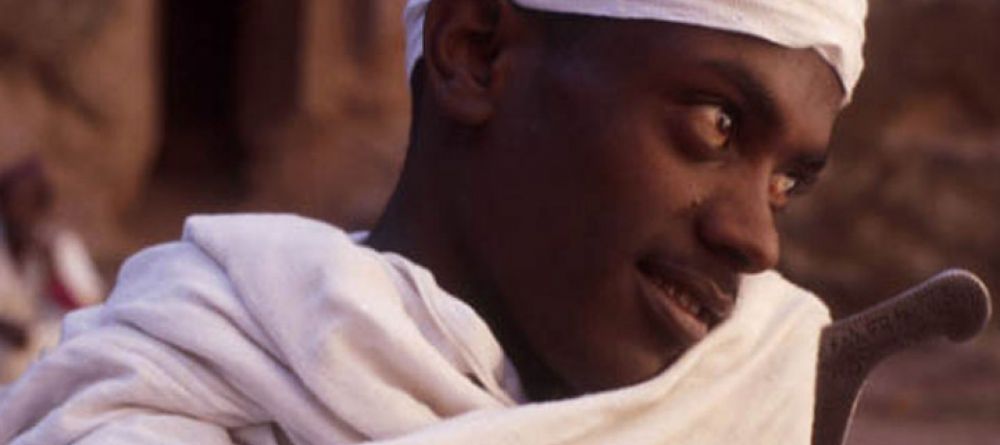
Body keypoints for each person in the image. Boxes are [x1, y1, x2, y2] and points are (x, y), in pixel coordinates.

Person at [0, 0, 866, 443]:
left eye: (791, 180)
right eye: (716, 125)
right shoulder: (150, 417)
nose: (759, 240)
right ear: (474, 53)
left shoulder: (746, 407)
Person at [0, 158, 105, 383]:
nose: (17, 212)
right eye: (11, 202)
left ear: (41, 207)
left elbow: (91, 312)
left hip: (48, 353)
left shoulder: (62, 248)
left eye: (26, 203)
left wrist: (52, 272)